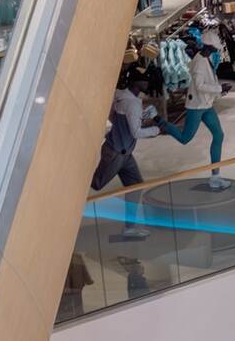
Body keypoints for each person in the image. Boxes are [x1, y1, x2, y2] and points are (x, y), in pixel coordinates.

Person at [91, 71, 157, 237]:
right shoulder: (133, 104)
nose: (147, 84)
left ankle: (129, 227)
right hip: (116, 153)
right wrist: (157, 130)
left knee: (136, 185)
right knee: (95, 184)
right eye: (144, 81)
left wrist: (142, 116)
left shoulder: (120, 96)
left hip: (123, 153)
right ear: (136, 83)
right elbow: (135, 132)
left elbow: (118, 117)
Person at [160, 32, 228, 188]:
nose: (217, 49)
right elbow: (199, 86)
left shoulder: (206, 58)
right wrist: (219, 88)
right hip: (196, 106)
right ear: (209, 46)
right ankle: (161, 122)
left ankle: (215, 176)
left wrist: (220, 90)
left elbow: (208, 81)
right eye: (215, 47)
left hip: (206, 105)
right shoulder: (199, 62)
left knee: (219, 135)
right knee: (185, 139)